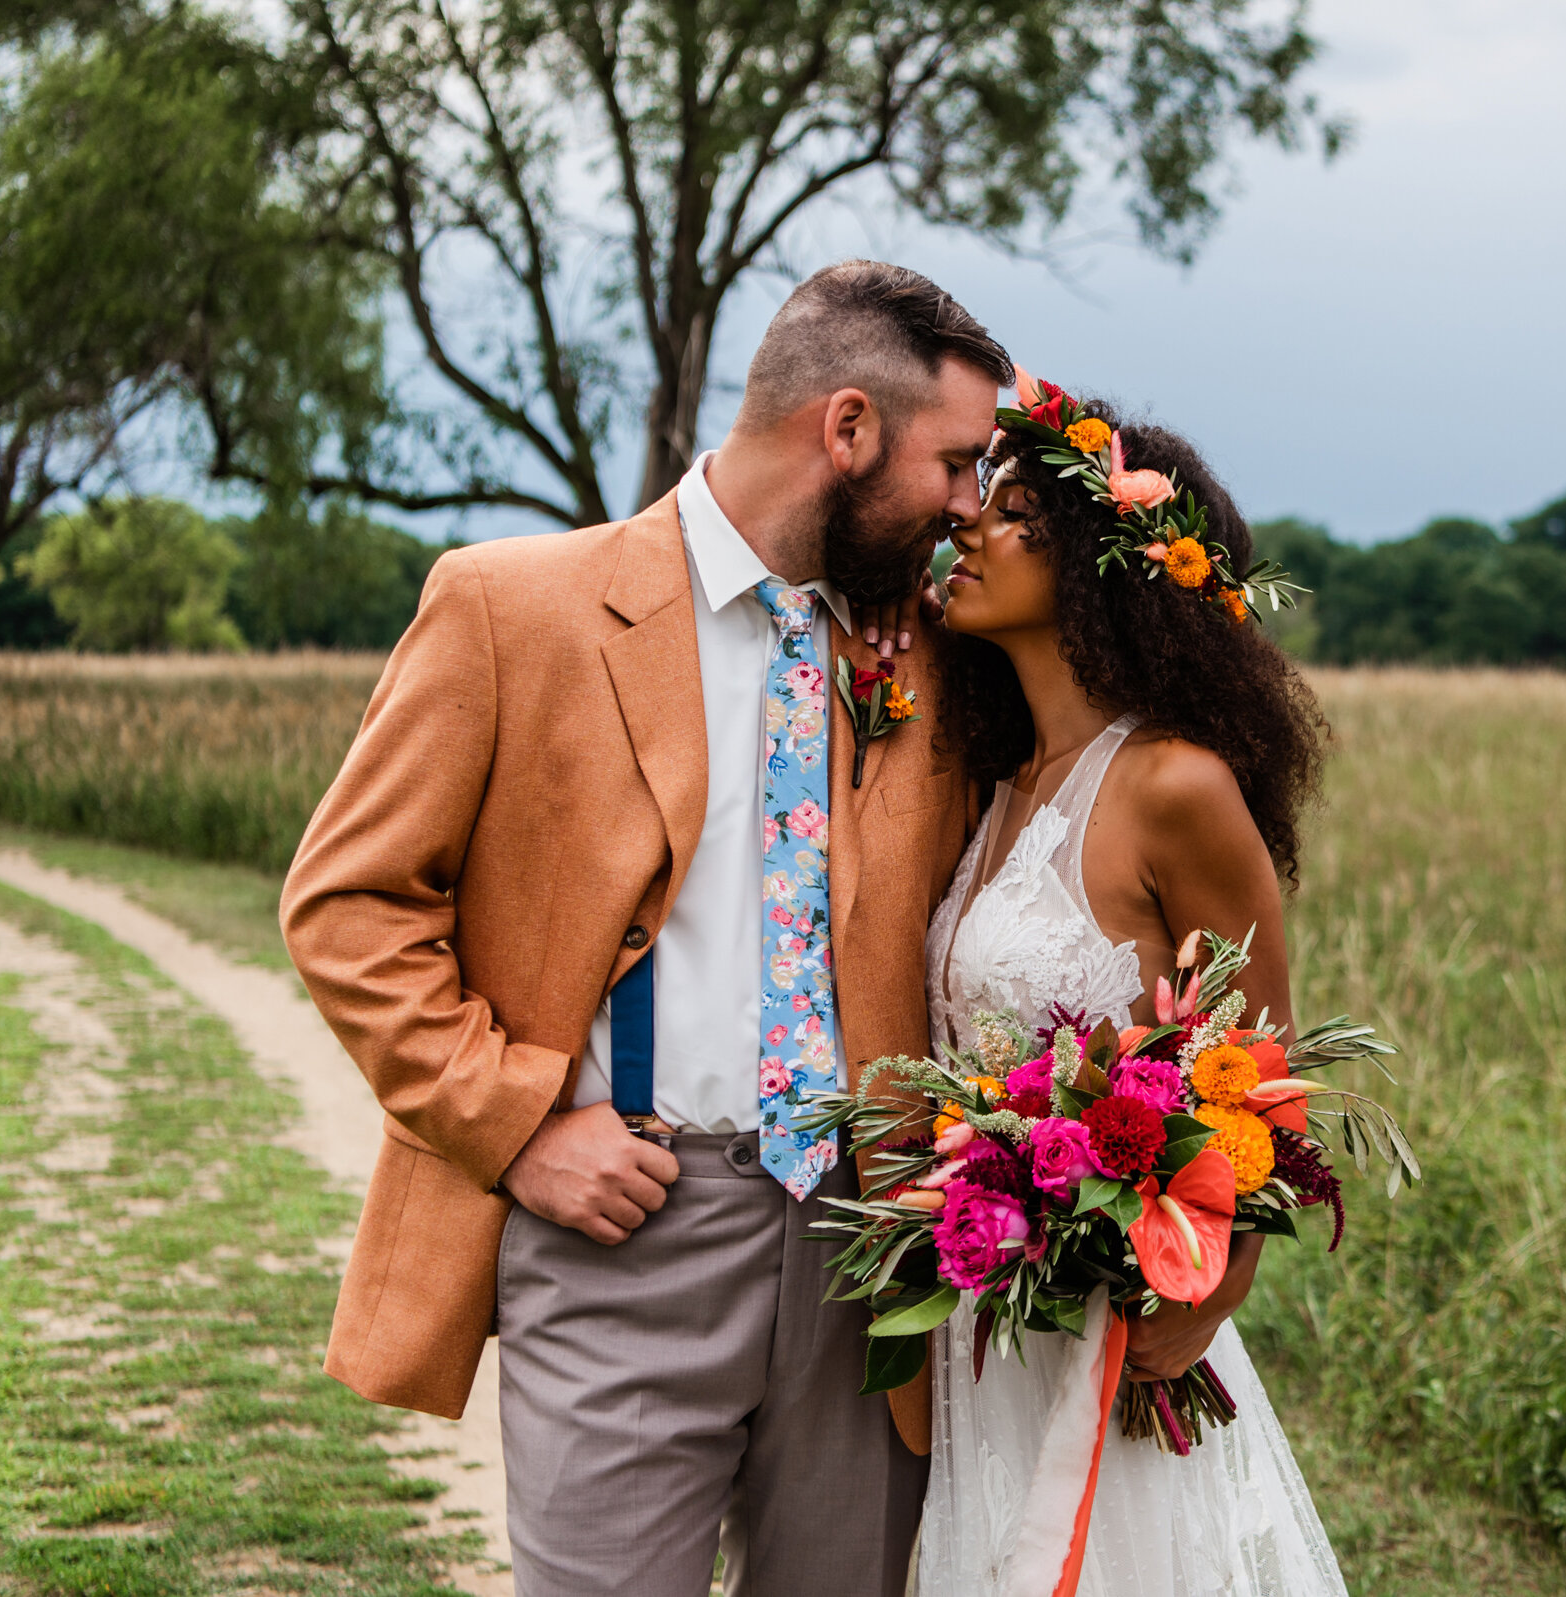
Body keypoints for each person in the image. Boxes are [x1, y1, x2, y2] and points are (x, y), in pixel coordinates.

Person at [279, 259, 1009, 1597]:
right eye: (956, 463)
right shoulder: (511, 608)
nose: (970, 506)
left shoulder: (935, 650)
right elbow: (345, 901)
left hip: (870, 1251)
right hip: (625, 1235)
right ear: (845, 430)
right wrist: (519, 1120)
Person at [919, 389, 1345, 1593]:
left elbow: (1260, 1071)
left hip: (1120, 1321)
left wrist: (1214, 1294)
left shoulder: (1177, 785)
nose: (969, 529)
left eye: (1012, 516)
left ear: (1105, 566)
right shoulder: (997, 780)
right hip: (981, 1318)